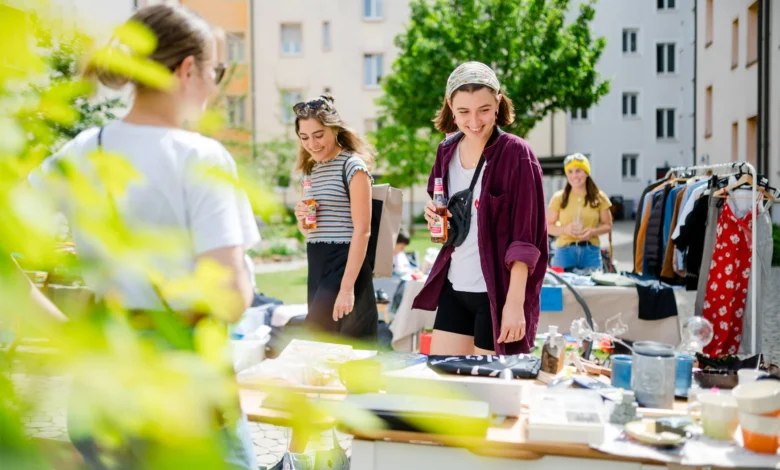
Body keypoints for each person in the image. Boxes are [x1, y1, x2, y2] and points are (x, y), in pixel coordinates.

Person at [27, 5, 258, 469]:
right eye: (216, 71)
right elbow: (230, 297)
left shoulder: (81, 151)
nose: (215, 87)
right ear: (187, 69)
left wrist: (64, 329)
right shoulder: (201, 157)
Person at [412, 62, 548, 356]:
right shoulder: (445, 151)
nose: (474, 121)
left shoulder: (517, 154)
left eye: (484, 109)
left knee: (490, 393)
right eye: (463, 112)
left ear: (498, 101)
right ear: (450, 106)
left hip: (496, 294)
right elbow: (445, 212)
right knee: (447, 387)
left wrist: (514, 305)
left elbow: (527, 239)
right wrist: (434, 215)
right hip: (454, 286)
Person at [292, 94, 378, 341]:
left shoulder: (352, 166)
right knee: (325, 343)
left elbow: (363, 230)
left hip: (345, 260)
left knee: (322, 335)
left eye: (319, 135)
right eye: (304, 137)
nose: (312, 143)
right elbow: (310, 232)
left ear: (334, 130)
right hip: (317, 259)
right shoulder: (310, 172)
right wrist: (301, 219)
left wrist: (347, 288)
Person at [547, 153, 612, 272]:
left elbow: (607, 225)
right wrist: (564, 229)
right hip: (564, 252)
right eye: (570, 172)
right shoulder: (559, 197)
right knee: (561, 289)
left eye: (578, 171)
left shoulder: (600, 197)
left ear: (587, 173)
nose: (574, 176)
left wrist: (592, 231)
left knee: (593, 289)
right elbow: (548, 226)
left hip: (591, 251)